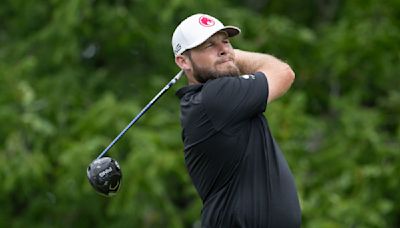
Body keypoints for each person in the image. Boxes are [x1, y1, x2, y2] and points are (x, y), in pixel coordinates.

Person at [172, 13, 301, 227]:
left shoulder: (210, 100)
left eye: (226, 41)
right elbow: (283, 72)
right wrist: (234, 56)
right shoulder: (215, 97)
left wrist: (225, 56)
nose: (223, 48)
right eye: (209, 45)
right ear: (183, 61)